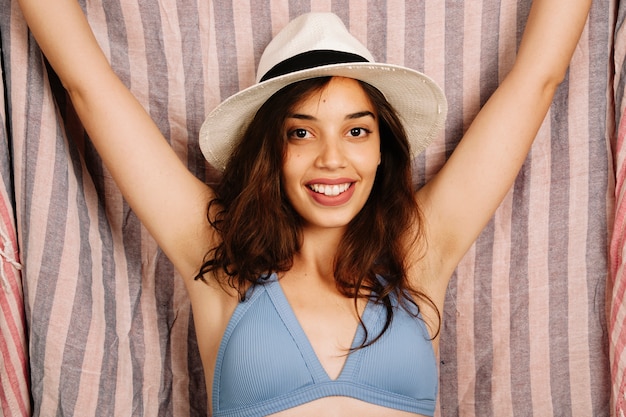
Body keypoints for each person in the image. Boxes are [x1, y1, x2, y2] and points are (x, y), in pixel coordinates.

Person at [17, 1, 591, 416]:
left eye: (357, 130)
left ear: (383, 147)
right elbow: (86, 83)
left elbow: (537, 80)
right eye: (301, 133)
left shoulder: (417, 250)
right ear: (271, 150)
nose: (333, 160)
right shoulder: (220, 259)